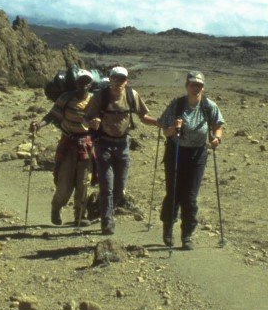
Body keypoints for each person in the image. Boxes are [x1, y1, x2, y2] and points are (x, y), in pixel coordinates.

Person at [83, 65, 159, 235]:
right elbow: (86, 117)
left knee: (119, 188)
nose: (118, 82)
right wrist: (92, 122)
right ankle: (107, 221)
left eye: (122, 79)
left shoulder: (132, 95)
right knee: (106, 186)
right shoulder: (100, 96)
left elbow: (143, 116)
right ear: (109, 79)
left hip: (123, 145)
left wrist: (156, 122)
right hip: (104, 144)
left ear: (126, 81)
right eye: (115, 78)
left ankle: (102, 210)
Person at [158, 70, 225, 250]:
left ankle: (187, 235)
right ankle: (168, 228)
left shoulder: (208, 106)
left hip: (197, 154)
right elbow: (165, 130)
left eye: (199, 85)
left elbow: (218, 126)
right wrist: (174, 127)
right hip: (176, 152)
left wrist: (217, 138)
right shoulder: (177, 105)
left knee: (190, 197)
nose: (196, 88)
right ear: (186, 86)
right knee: (174, 193)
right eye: (193, 84)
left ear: (203, 87)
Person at [31, 69, 96, 226]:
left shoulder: (95, 100)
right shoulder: (66, 98)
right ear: (76, 82)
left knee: (83, 182)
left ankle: (79, 216)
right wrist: (38, 125)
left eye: (86, 82)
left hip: (87, 145)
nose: (83, 85)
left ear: (91, 84)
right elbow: (52, 115)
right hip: (69, 145)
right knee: (64, 184)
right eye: (81, 81)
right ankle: (56, 207)